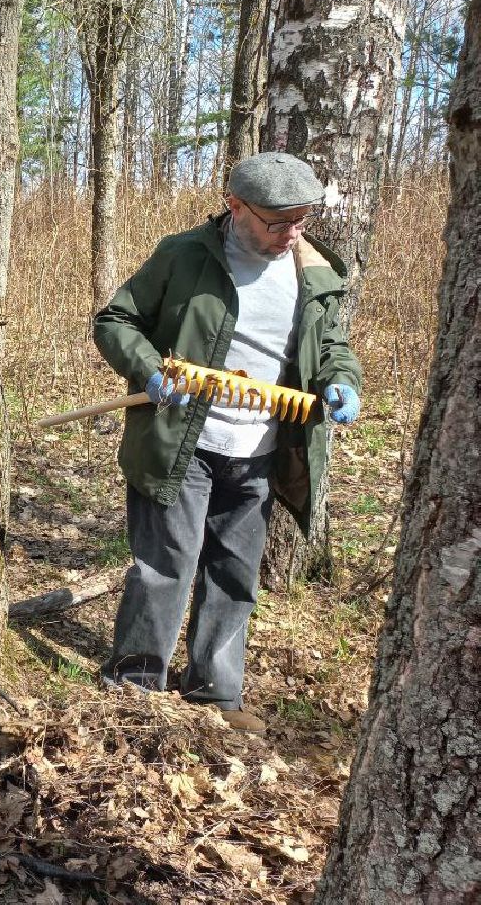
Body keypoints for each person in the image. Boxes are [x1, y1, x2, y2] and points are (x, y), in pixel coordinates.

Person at [93, 151, 362, 734]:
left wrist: (340, 380)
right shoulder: (185, 257)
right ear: (235, 205)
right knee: (165, 567)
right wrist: (148, 370)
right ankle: (135, 690)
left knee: (235, 574)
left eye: (301, 220)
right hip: (181, 444)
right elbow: (116, 320)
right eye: (277, 221)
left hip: (261, 453)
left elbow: (332, 347)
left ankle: (215, 695)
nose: (291, 233)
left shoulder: (315, 275)